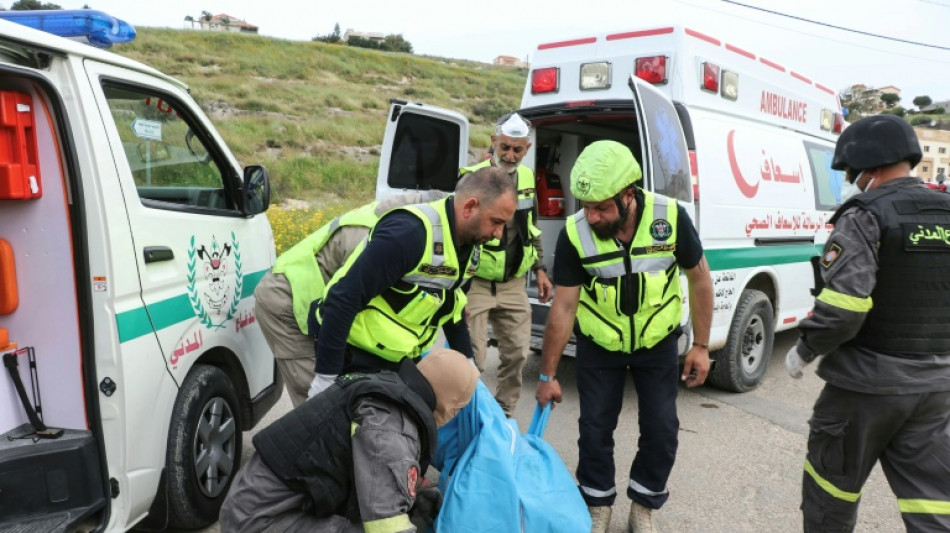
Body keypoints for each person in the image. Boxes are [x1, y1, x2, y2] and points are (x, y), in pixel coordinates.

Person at [535, 140, 713, 533]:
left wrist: (700, 346)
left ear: (628, 195)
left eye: (600, 207)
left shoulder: (670, 218)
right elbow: (563, 309)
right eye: (586, 205)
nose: (591, 216)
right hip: (600, 346)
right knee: (594, 429)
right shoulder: (575, 234)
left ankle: (644, 504)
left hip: (658, 343)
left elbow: (699, 279)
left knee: (662, 428)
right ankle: (597, 504)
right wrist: (547, 376)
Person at [785, 114, 950, 532]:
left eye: (850, 173)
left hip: (865, 387)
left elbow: (845, 308)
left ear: (869, 169)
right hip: (936, 389)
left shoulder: (864, 215)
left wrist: (804, 350)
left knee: (831, 492)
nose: (851, 181)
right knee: (933, 505)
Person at [308, 166, 518, 397]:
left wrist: (468, 365)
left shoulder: (471, 247)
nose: (499, 234)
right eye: (496, 222)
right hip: (351, 353)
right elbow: (344, 299)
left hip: (397, 359)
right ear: (469, 207)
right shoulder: (409, 234)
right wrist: (326, 378)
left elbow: (454, 310)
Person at [219, 348, 480, 533]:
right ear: (451, 406)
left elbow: (365, 465)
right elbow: (386, 526)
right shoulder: (393, 425)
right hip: (259, 522)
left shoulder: (383, 390)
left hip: (255, 506)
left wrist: (415, 495)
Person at [254, 191, 445, 407]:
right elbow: (348, 304)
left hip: (316, 301)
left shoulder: (400, 221)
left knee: (343, 391)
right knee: (322, 401)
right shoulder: (384, 237)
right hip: (286, 302)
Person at [460, 112, 553, 417]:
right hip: (476, 281)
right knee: (472, 358)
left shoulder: (526, 179)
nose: (510, 155)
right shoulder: (471, 177)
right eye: (505, 148)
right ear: (493, 142)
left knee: (517, 354)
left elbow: (532, 228)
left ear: (527, 148)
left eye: (517, 149)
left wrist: (540, 269)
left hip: (514, 282)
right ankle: (468, 415)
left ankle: (503, 415)